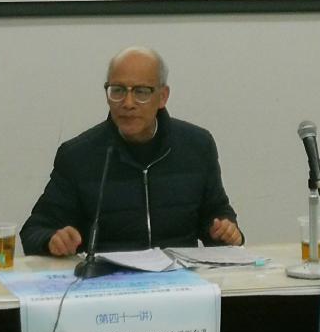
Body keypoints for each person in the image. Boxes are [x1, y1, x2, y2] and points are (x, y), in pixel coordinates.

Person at [21, 46, 243, 256]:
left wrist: (225, 231)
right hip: (108, 279)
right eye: (118, 90)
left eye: (141, 92)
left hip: (179, 277)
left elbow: (216, 214)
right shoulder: (78, 155)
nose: (128, 103)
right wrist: (52, 240)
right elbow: (34, 230)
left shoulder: (197, 146)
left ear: (163, 96)